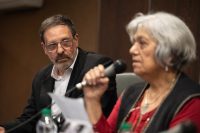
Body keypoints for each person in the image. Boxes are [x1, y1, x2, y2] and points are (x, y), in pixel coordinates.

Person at [82, 12, 200, 133]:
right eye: (134, 43)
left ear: (170, 53)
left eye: (142, 43)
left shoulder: (191, 102)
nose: (132, 50)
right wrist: (92, 100)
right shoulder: (130, 93)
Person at [0, 14, 118, 133]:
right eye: (52, 45)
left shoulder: (98, 66)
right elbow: (29, 120)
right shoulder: (41, 77)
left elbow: (84, 117)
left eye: (65, 42)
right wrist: (4, 129)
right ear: (44, 48)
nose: (60, 50)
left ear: (76, 40)